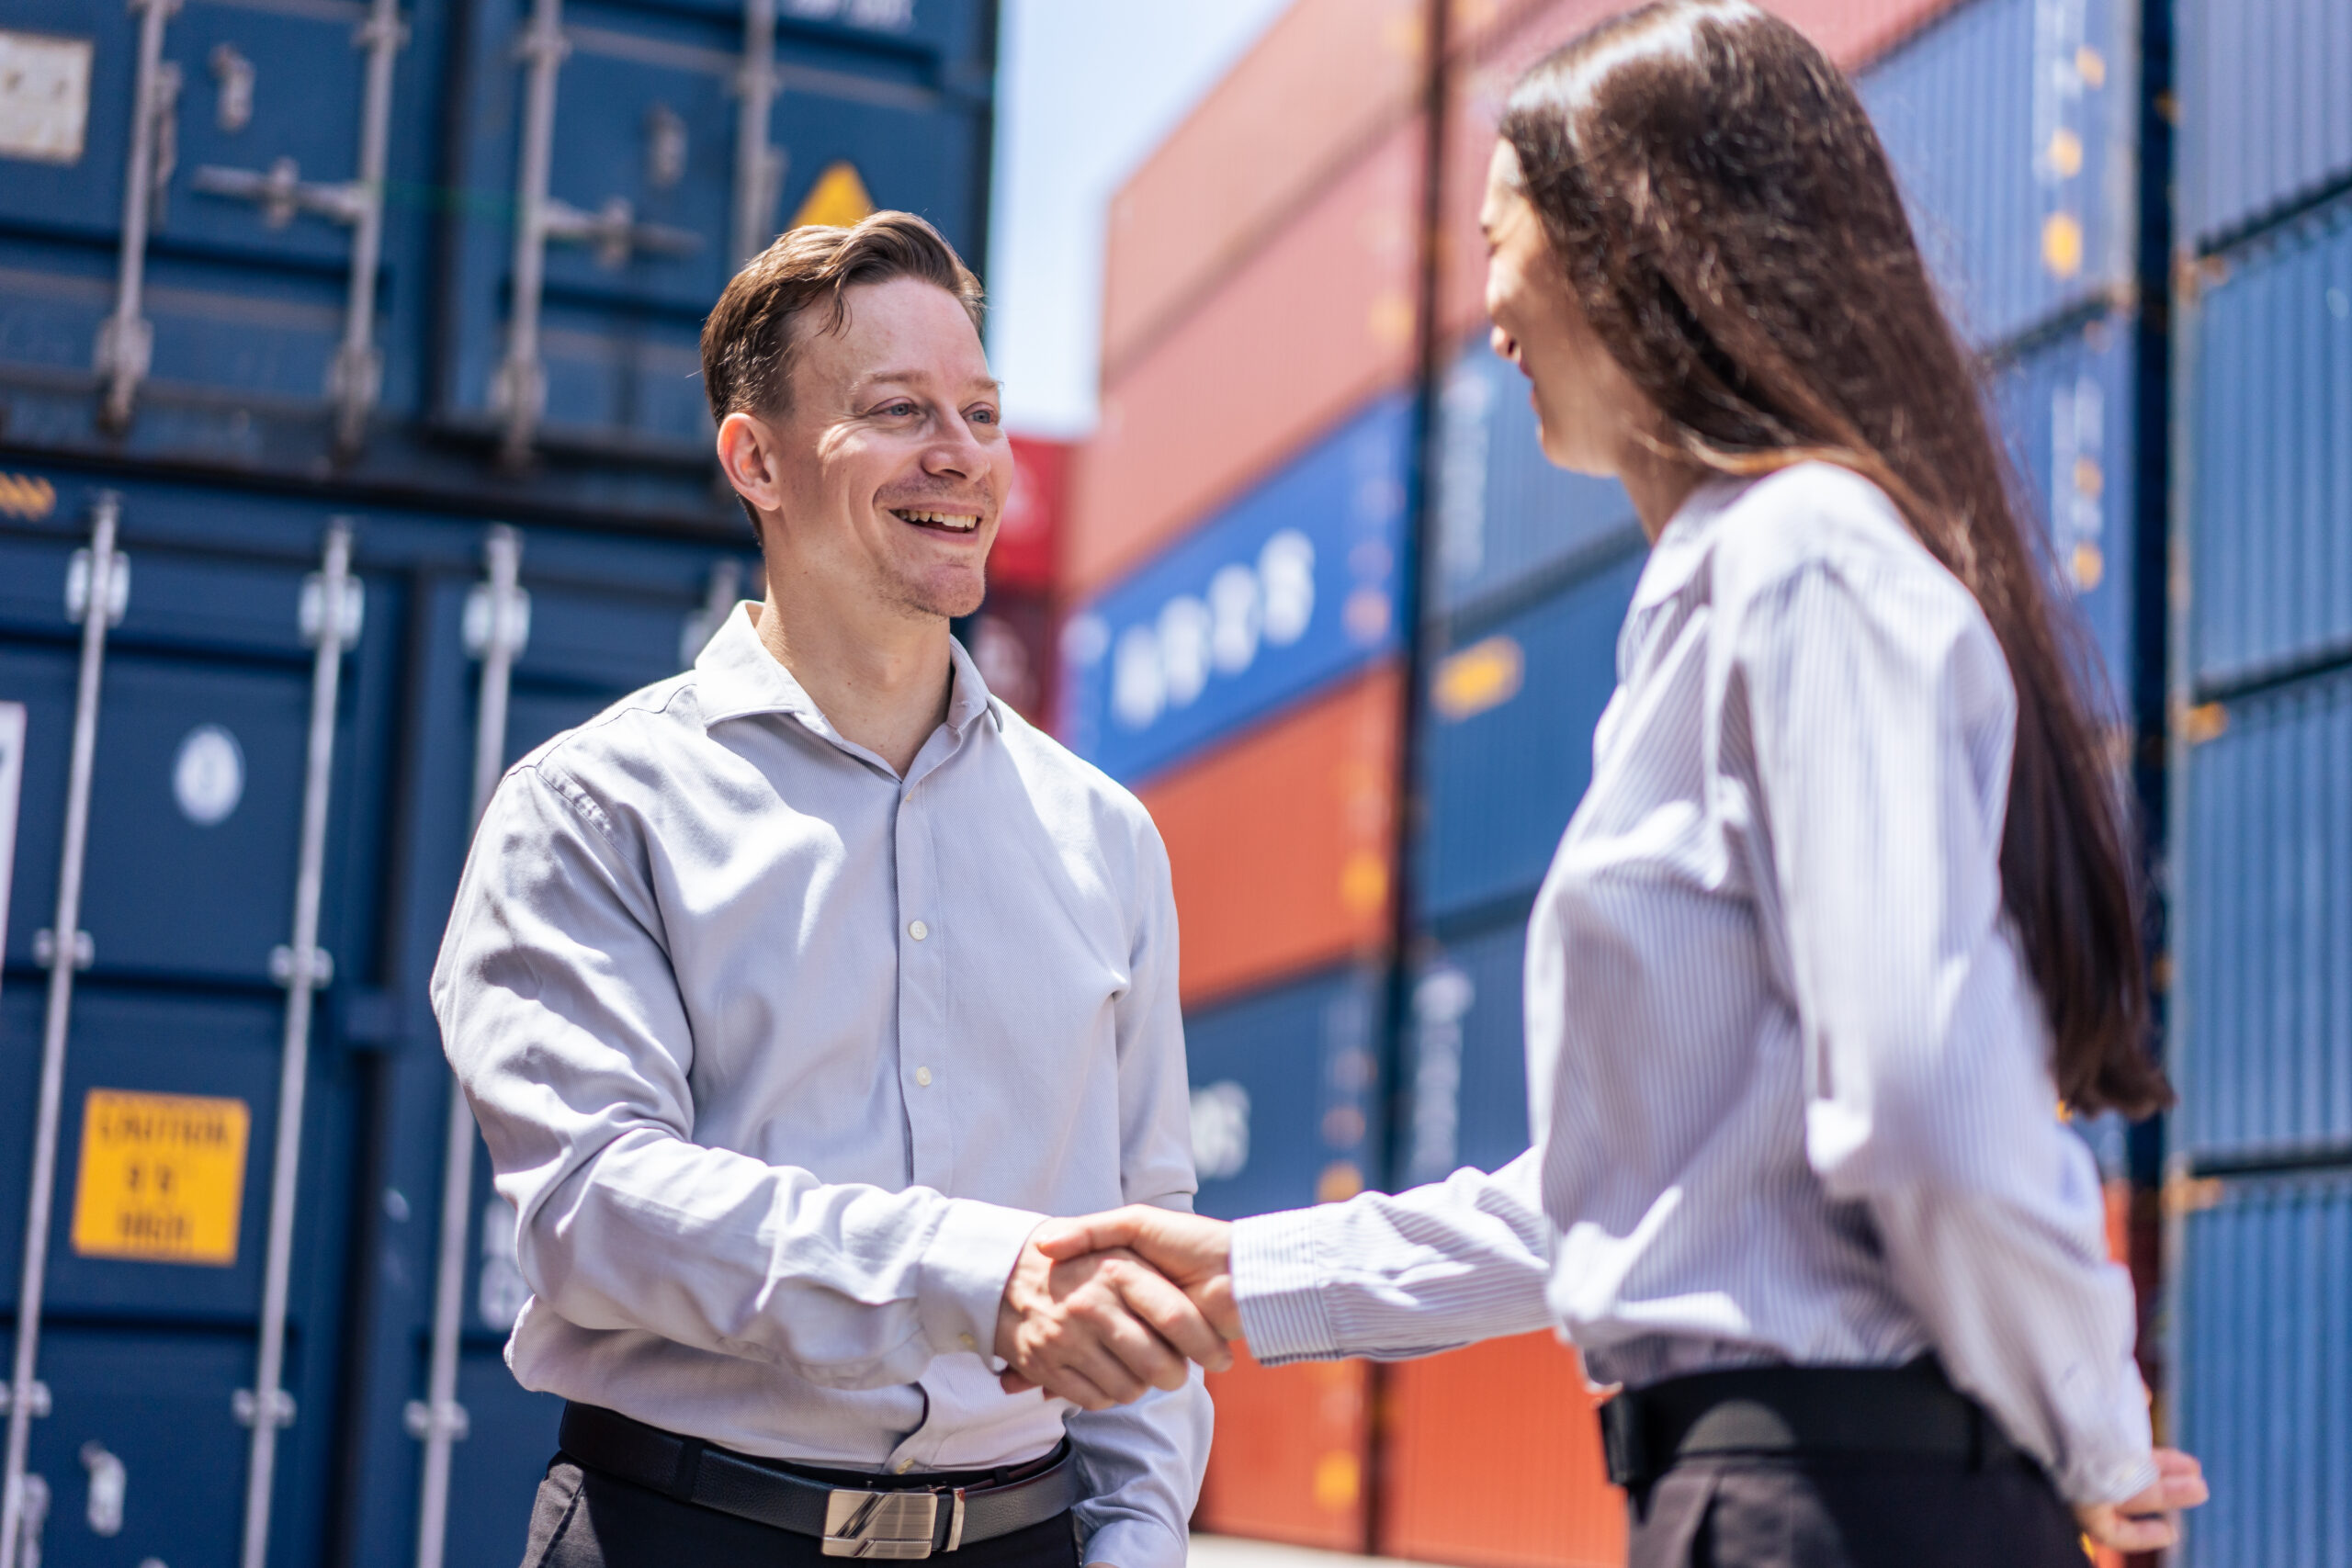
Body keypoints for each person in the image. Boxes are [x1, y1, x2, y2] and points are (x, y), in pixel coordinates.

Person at [1025, 6, 2210, 1565]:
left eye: (1502, 242)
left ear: (1637, 249)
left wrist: (2093, 1433)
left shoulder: (1805, 568)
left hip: (1852, 1510)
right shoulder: (1715, 601)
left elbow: (1925, 1091)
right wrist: (1244, 1278)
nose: (1489, 312)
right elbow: (1618, 1200)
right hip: (1768, 1502)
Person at [431, 211, 1227, 1568]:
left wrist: (1139, 1536)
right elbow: (594, 1209)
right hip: (683, 1534)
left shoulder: (1105, 838)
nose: (962, 456)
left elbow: (1141, 1240)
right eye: (899, 410)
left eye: (980, 413)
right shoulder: (592, 808)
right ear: (757, 460)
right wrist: (976, 1278)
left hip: (1020, 1538)